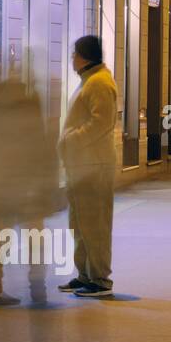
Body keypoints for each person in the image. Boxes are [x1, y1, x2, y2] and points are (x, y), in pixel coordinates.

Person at [0, 78, 62, 305]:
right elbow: (43, 149)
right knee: (35, 237)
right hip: (26, 187)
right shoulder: (30, 105)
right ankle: (37, 285)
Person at [57, 36, 119, 298]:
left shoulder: (99, 83)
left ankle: (100, 279)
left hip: (94, 165)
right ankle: (85, 274)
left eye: (74, 54)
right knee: (80, 223)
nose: (72, 58)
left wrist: (72, 140)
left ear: (84, 56)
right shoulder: (89, 80)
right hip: (82, 165)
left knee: (94, 224)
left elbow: (101, 122)